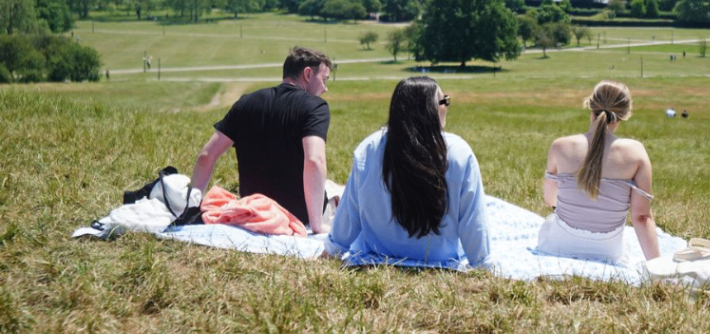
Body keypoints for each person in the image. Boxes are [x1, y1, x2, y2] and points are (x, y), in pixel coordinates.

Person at [325, 76, 491, 268]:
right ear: (430, 109)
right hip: (438, 257)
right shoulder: (459, 152)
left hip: (380, 252)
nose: (446, 106)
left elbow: (349, 212)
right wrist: (482, 265)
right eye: (444, 100)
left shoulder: (369, 148)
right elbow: (473, 222)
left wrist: (332, 250)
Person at [190, 46, 333, 233]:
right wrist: (316, 226)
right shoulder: (316, 107)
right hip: (298, 215)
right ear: (307, 74)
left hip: (254, 210)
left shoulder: (246, 102)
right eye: (323, 80)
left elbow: (206, 156)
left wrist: (191, 207)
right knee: (337, 196)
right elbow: (314, 161)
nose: (325, 88)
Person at [538, 80, 659, 263]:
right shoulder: (636, 153)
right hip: (608, 251)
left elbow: (550, 200)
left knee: (548, 224)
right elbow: (641, 217)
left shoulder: (560, 146)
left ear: (590, 106)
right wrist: (659, 268)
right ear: (623, 115)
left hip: (559, 245)